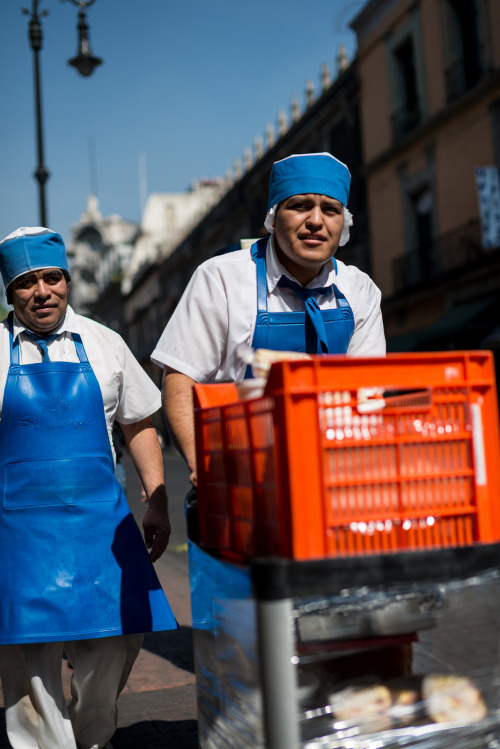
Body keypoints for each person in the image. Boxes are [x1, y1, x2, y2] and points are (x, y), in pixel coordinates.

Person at [0, 227, 178, 749]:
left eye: (51, 278)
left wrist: (159, 497)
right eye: (26, 283)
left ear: (67, 280)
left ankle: (91, 738)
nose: (41, 292)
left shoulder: (106, 343)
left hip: (101, 527)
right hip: (19, 534)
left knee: (116, 643)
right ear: (10, 292)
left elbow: (139, 422)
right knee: (26, 666)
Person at [151, 152, 385, 484]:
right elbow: (180, 382)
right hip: (238, 473)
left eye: (330, 210)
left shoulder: (360, 290)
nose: (316, 221)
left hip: (334, 472)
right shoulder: (222, 279)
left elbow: (367, 392)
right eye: (301, 206)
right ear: (273, 218)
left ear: (342, 224)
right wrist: (202, 469)